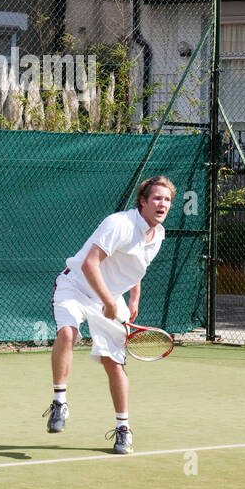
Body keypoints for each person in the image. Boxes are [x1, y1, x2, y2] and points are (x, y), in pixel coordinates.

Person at [44, 176, 176, 455]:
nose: (162, 204)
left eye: (167, 200)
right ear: (142, 202)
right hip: (76, 286)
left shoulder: (159, 235)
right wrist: (109, 302)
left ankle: (123, 429)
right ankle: (59, 402)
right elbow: (91, 264)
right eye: (156, 198)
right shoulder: (119, 224)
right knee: (68, 333)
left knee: (113, 363)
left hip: (111, 297)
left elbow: (134, 268)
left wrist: (134, 297)